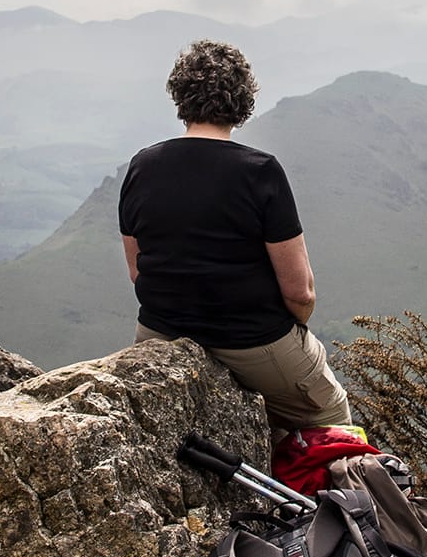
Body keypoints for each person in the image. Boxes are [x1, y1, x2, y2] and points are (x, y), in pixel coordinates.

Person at [118, 39, 352, 433]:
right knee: (330, 416)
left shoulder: (142, 166)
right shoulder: (259, 172)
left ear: (180, 96)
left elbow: (137, 271)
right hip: (254, 340)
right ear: (242, 101)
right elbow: (300, 292)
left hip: (161, 333)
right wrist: (288, 333)